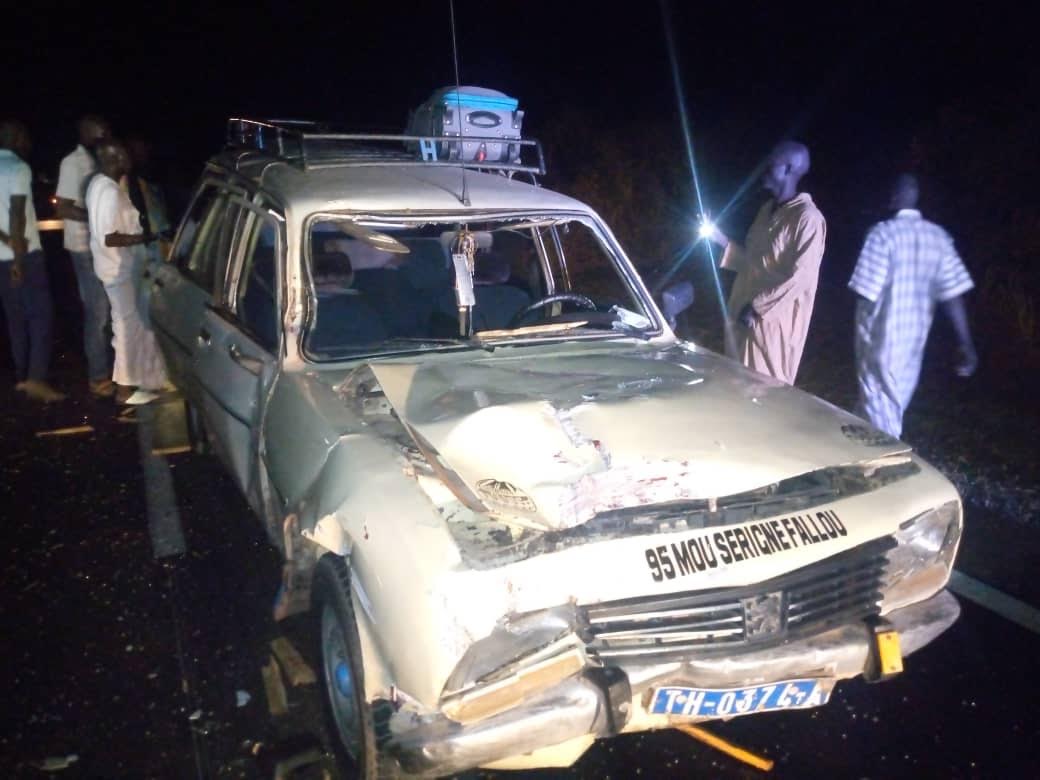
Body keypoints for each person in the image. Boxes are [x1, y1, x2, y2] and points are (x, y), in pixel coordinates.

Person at [848, 173, 977, 438]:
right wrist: (966, 343)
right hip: (913, 345)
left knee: (881, 421)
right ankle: (853, 460)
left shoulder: (881, 234)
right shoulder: (938, 238)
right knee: (885, 409)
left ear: (892, 196)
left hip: (879, 343)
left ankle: (878, 472)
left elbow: (865, 292)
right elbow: (953, 294)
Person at [702, 141, 827, 384]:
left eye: (772, 162)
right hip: (741, 320)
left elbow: (801, 279)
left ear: (789, 169)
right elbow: (754, 263)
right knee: (735, 394)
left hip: (770, 331)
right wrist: (719, 238)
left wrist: (759, 307)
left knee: (762, 399)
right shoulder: (766, 210)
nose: (764, 167)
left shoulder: (808, 219)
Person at [85, 139, 168, 405]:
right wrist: (147, 238)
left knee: (134, 326)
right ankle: (125, 390)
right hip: (118, 268)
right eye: (124, 154)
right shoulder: (108, 191)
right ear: (115, 158)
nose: (129, 158)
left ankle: (144, 380)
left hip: (115, 267)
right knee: (125, 328)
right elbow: (109, 237)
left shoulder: (100, 184)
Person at [0, 121, 64, 402]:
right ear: (16, 138)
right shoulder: (18, 168)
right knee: (40, 315)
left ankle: (22, 375)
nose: (28, 142)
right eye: (25, 136)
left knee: (16, 319)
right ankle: (36, 379)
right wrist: (17, 257)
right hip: (25, 256)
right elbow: (17, 212)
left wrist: (5, 241)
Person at [56, 115, 114, 397]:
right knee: (98, 312)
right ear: (86, 131)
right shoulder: (72, 162)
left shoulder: (98, 161)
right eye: (100, 129)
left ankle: (110, 371)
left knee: (109, 311)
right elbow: (64, 208)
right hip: (83, 248)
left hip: (102, 247)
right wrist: (96, 219)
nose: (105, 133)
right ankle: (98, 376)